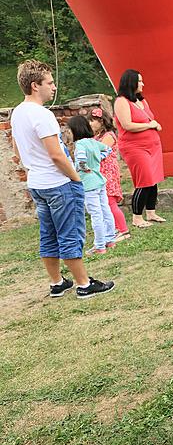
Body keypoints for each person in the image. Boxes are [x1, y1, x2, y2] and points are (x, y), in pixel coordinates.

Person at [10, 59, 115, 299]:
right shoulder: (42, 115)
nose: (54, 87)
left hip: (37, 183)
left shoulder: (17, 113)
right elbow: (57, 154)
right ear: (35, 86)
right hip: (58, 184)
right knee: (70, 232)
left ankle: (57, 282)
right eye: (50, 82)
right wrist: (76, 178)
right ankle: (84, 284)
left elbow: (17, 152)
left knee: (48, 234)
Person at [114, 69, 165, 229]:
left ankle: (151, 212)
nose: (143, 84)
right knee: (144, 180)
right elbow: (127, 124)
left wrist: (154, 124)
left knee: (153, 179)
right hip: (135, 147)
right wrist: (149, 125)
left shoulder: (141, 101)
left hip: (153, 146)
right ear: (131, 82)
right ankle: (137, 217)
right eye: (140, 81)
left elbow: (149, 118)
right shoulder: (121, 101)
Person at [70, 115, 117, 255]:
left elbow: (81, 160)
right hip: (99, 180)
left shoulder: (80, 145)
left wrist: (81, 169)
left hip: (88, 183)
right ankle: (110, 239)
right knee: (105, 210)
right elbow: (108, 149)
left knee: (95, 214)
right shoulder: (93, 142)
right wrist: (98, 160)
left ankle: (99, 245)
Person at [90, 106, 129, 241]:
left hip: (108, 172)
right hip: (99, 173)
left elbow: (99, 152)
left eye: (92, 121)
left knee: (110, 202)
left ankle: (123, 230)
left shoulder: (108, 136)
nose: (90, 124)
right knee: (104, 203)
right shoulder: (95, 136)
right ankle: (113, 229)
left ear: (101, 122)